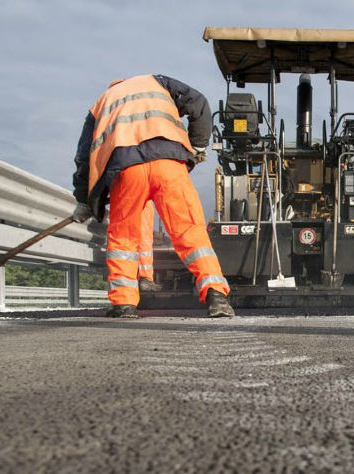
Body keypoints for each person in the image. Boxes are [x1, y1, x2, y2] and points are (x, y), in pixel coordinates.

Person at [71, 74, 234, 318]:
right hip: (169, 162)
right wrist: (198, 145)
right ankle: (216, 296)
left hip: (126, 169)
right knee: (190, 231)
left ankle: (124, 304)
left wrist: (83, 199)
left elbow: (84, 157)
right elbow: (198, 103)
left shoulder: (101, 102)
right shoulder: (158, 82)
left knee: (123, 236)